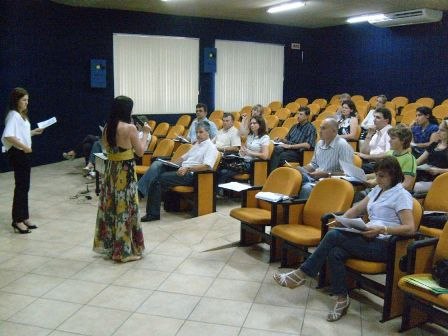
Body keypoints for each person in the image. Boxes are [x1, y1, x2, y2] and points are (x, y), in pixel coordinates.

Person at [273, 156, 416, 322]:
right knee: (335, 252)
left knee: (333, 236)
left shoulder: (401, 195)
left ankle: (301, 274)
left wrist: (383, 229)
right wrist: (342, 220)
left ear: (394, 175)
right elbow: (356, 210)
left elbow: (410, 228)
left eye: (382, 176)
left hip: (386, 245)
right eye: (376, 175)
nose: (378, 179)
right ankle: (342, 299)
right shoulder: (378, 190)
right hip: (369, 238)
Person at [93, 96, 151, 262]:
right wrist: (145, 133)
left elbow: (105, 147)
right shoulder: (130, 128)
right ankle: (124, 251)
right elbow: (140, 151)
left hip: (111, 170)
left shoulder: (107, 127)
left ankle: (112, 246)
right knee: (125, 208)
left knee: (111, 206)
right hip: (125, 171)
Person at [138, 120, 218, 221]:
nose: (198, 134)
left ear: (208, 132)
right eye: (197, 132)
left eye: (201, 132)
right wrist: (170, 164)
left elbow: (207, 166)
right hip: (181, 169)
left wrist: (187, 168)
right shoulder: (197, 144)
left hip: (192, 174)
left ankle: (152, 214)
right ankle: (140, 191)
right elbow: (182, 159)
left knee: (157, 179)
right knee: (158, 163)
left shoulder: (211, 147)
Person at [1, 87, 44, 234]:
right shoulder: (13, 115)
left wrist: (32, 132)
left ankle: (24, 216)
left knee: (25, 186)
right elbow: (8, 136)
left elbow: (19, 133)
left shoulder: (20, 115)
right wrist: (24, 147)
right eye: (24, 100)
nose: (27, 103)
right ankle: (17, 220)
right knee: (21, 186)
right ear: (16, 100)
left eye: (27, 100)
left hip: (22, 153)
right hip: (18, 154)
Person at [297, 118, 353, 199]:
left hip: (332, 182)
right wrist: (302, 169)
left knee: (306, 188)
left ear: (334, 131)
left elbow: (347, 174)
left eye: (323, 128)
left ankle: (302, 210)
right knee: (294, 178)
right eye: (320, 128)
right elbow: (314, 165)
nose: (320, 131)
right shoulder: (319, 143)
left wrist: (327, 174)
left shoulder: (342, 145)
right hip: (316, 179)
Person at [218, 115, 269, 184]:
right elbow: (244, 147)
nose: (252, 125)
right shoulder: (250, 135)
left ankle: (217, 193)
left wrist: (250, 153)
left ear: (260, 124)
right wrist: (242, 150)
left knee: (224, 172)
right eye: (251, 123)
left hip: (252, 164)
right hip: (243, 160)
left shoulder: (265, 138)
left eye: (254, 123)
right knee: (221, 167)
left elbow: (265, 156)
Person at [270, 106, 316, 171]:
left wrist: (290, 146)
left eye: (301, 114)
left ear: (307, 116)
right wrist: (280, 139)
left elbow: (308, 145)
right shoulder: (294, 126)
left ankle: (271, 176)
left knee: (279, 156)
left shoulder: (311, 128)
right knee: (274, 149)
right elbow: (287, 139)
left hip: (298, 153)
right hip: (288, 149)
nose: (298, 116)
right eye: (297, 114)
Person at [414, 118, 448, 193]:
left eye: (442, 130)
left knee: (415, 187)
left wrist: (439, 170)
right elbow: (419, 160)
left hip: (441, 180)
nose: (438, 132)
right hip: (426, 175)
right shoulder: (434, 144)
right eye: (438, 129)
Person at [357, 107, 393, 173]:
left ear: (386, 120)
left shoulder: (390, 132)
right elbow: (363, 152)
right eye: (374, 117)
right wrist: (369, 135)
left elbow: (389, 154)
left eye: (378, 117)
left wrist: (368, 157)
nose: (374, 120)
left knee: (356, 167)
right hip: (371, 162)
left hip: (382, 165)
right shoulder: (377, 131)